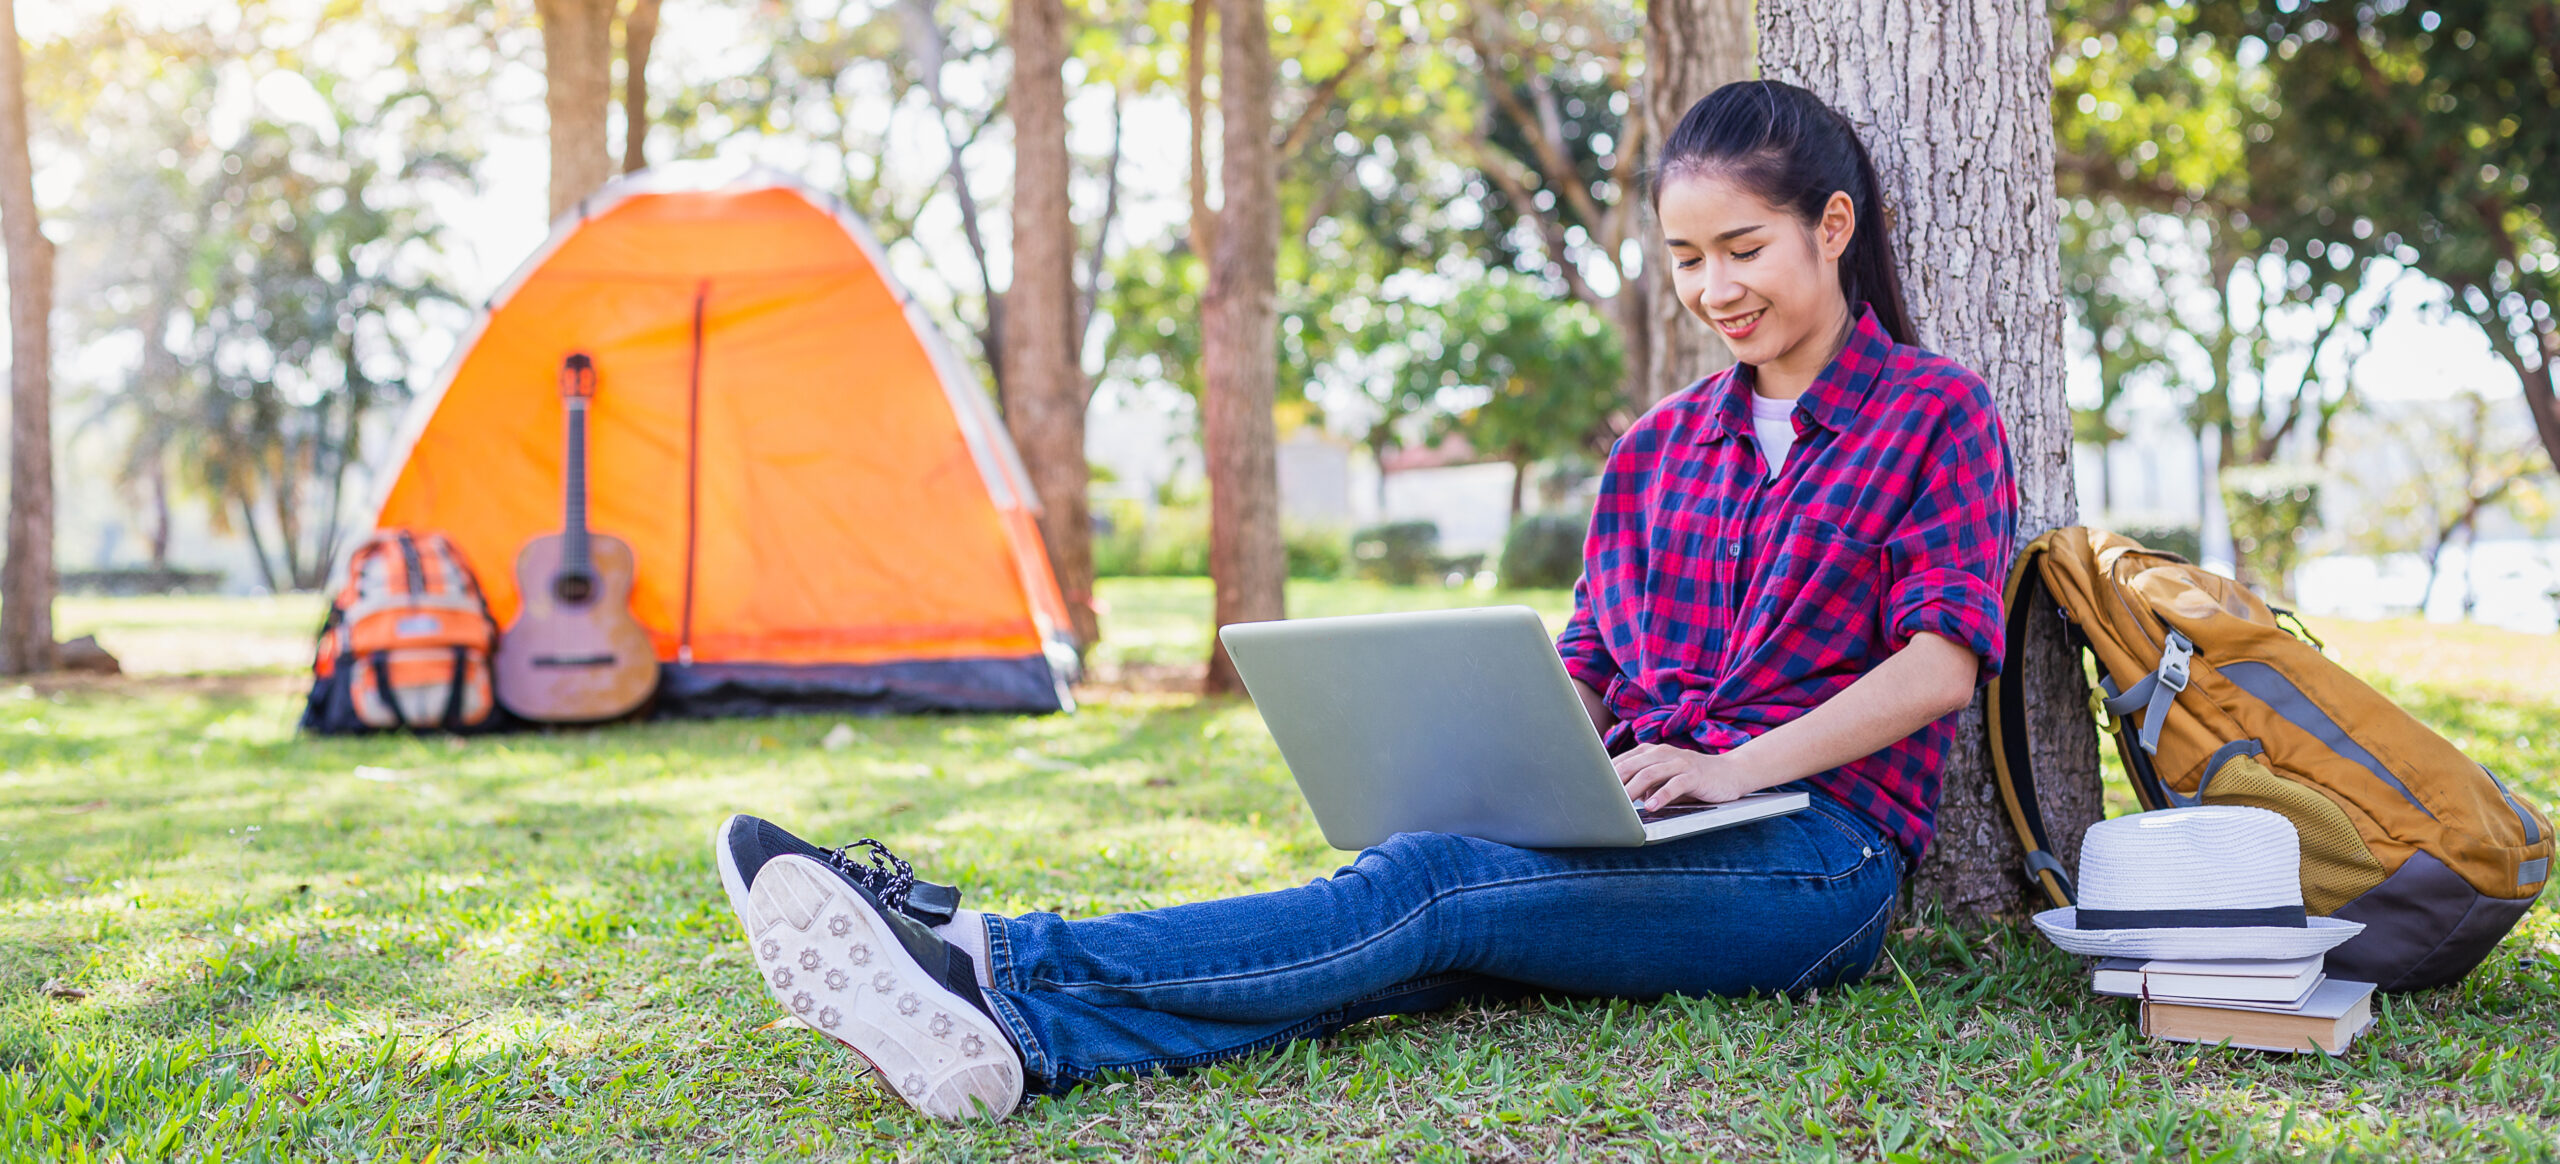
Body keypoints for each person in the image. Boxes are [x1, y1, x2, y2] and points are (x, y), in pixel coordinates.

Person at [709, 78, 2021, 1122]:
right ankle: (1019, 1042)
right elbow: (1594, 662)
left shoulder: (1934, 413)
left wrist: (1732, 768)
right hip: (1638, 822)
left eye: (1743, 250)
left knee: (1430, 892)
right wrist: (1524, 763)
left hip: (1819, 859)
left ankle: (986, 957)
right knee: (1412, 937)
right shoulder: (1658, 448)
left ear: (1831, 226)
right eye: (1685, 259)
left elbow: (1938, 668)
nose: (1713, 290)